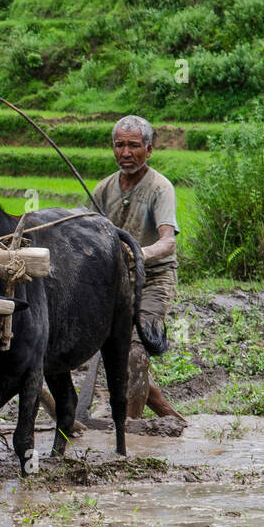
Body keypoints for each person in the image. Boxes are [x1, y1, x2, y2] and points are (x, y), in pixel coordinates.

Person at [90, 115, 184, 421]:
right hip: (116, 282)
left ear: (148, 149)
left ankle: (129, 430)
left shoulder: (160, 188)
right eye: (120, 145)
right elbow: (88, 236)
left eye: (133, 146)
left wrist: (138, 254)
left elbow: (167, 242)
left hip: (154, 278)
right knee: (122, 356)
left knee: (136, 353)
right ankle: (173, 420)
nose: (126, 153)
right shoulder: (102, 190)